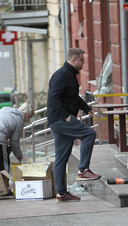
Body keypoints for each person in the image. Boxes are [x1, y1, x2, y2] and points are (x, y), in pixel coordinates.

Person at [47, 47, 101, 203]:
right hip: (60, 120)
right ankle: (83, 169)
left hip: (59, 120)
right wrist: (66, 117)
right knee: (89, 134)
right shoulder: (61, 75)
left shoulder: (69, 75)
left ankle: (62, 194)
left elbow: (73, 97)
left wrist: (86, 108)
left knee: (61, 158)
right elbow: (53, 98)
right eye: (82, 59)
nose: (84, 62)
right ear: (73, 60)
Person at [0, 102, 34, 172]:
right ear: (25, 114)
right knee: (3, 165)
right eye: (29, 117)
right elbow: (14, 142)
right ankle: (4, 182)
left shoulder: (5, 108)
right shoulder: (20, 121)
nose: (27, 120)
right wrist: (19, 155)